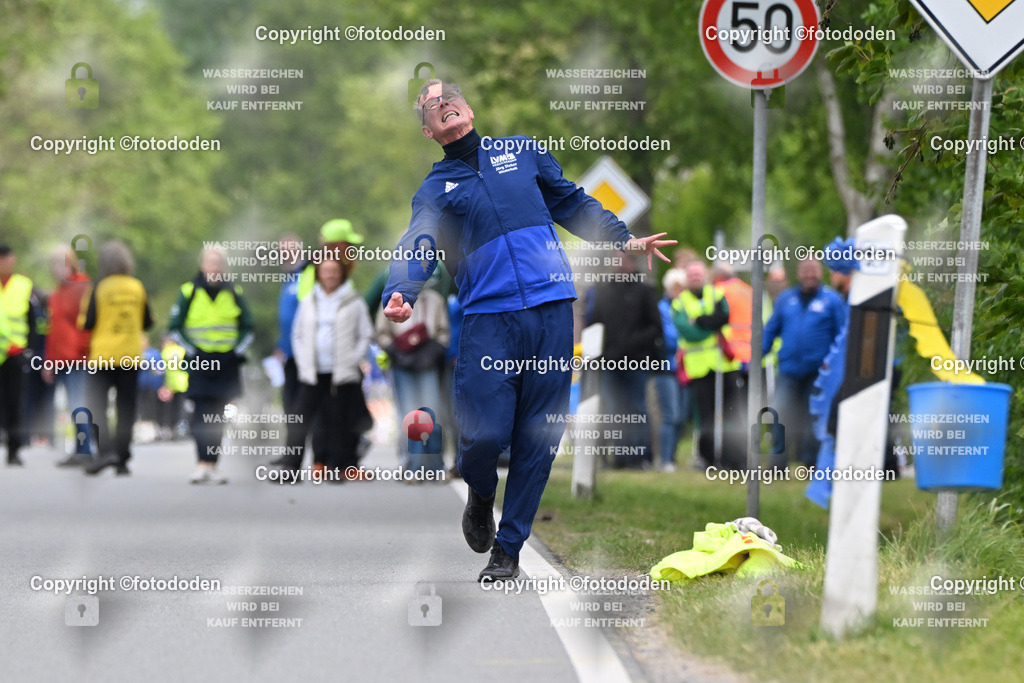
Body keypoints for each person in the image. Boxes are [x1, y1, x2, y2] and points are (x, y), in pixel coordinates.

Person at [381, 78, 674, 581]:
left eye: (449, 97)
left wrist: (621, 238)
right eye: (431, 106)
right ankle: (479, 492)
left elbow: (573, 202)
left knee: (539, 435)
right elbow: (420, 240)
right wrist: (403, 290)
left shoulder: (523, 151)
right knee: (483, 435)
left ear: (469, 108)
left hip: (551, 308)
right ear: (428, 130)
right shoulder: (435, 188)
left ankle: (508, 549)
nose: (442, 104)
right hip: (488, 319)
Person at [168, 248, 254, 484]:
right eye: (210, 263)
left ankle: (213, 464)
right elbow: (175, 326)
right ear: (202, 265)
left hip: (226, 362)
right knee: (200, 412)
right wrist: (193, 350)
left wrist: (236, 350)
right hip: (199, 361)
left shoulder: (234, 291)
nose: (214, 268)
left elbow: (248, 325)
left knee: (218, 416)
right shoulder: (189, 291)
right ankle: (201, 463)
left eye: (218, 263)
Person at [282, 258, 373, 481]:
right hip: (313, 371)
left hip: (342, 372)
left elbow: (365, 334)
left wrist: (354, 358)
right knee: (299, 420)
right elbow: (298, 333)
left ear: (341, 274)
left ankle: (336, 467)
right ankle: (291, 468)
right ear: (318, 275)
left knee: (339, 421)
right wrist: (304, 361)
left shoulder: (354, 301)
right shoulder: (310, 300)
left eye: (334, 271)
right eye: (325, 272)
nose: (330, 276)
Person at [761, 257, 846, 467]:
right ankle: (777, 464)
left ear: (821, 273)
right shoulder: (785, 299)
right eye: (806, 271)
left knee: (814, 418)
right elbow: (771, 329)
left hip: (818, 371)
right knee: (779, 412)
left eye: (814, 271)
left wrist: (835, 363)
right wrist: (758, 353)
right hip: (789, 369)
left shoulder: (831, 300)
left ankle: (810, 462)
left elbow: (842, 335)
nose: (810, 275)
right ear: (798, 274)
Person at [584, 252, 662, 469]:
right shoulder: (602, 291)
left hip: (636, 361)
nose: (619, 264)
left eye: (623, 260)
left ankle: (640, 456)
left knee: (637, 407)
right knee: (612, 408)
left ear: (632, 263)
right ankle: (619, 456)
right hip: (609, 361)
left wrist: (632, 343)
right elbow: (593, 324)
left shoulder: (644, 291)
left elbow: (656, 328)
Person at [81, 242, 153, 476]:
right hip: (130, 355)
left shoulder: (99, 288)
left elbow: (88, 321)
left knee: (96, 405)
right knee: (126, 407)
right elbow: (147, 322)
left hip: (103, 355)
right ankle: (122, 458)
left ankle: (105, 451)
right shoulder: (137, 287)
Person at [672, 259, 746, 470]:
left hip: (725, 365)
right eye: (692, 275)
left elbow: (723, 317)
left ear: (705, 275)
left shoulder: (717, 294)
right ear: (687, 278)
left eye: (699, 274)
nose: (696, 278)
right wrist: (710, 324)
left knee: (732, 412)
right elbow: (688, 332)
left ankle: (735, 459)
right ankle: (708, 459)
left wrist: (701, 320)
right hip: (699, 367)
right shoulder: (680, 303)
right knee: (705, 417)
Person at [375, 275, 449, 474]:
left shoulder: (435, 300)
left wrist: (432, 352)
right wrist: (395, 352)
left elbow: (443, 333)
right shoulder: (391, 298)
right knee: (409, 415)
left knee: (432, 412)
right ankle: (414, 465)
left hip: (428, 362)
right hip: (402, 363)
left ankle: (435, 465)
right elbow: (382, 332)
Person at [43, 247, 93, 466]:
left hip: (77, 358)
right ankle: (81, 448)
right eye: (53, 265)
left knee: (79, 403)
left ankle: (86, 448)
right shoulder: (58, 293)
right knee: (73, 405)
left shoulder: (82, 287)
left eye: (60, 264)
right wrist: (49, 361)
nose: (56, 269)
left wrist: (82, 352)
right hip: (61, 358)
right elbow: (53, 331)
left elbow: (88, 326)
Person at [0, 244, 35, 466]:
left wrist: (28, 349)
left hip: (15, 353)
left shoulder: (23, 285)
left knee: (14, 402)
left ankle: (14, 449)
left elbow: (33, 320)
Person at [653, 268, 689, 471]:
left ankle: (672, 458)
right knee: (671, 414)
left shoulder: (685, 307)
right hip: (665, 367)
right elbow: (670, 335)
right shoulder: (662, 308)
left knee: (682, 416)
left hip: (684, 368)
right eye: (677, 287)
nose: (680, 291)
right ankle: (664, 459)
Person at [157, 334, 188, 440]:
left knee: (169, 409)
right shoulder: (182, 351)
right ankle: (181, 429)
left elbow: (159, 370)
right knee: (181, 409)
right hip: (183, 384)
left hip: (170, 386)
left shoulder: (165, 352)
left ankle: (169, 430)